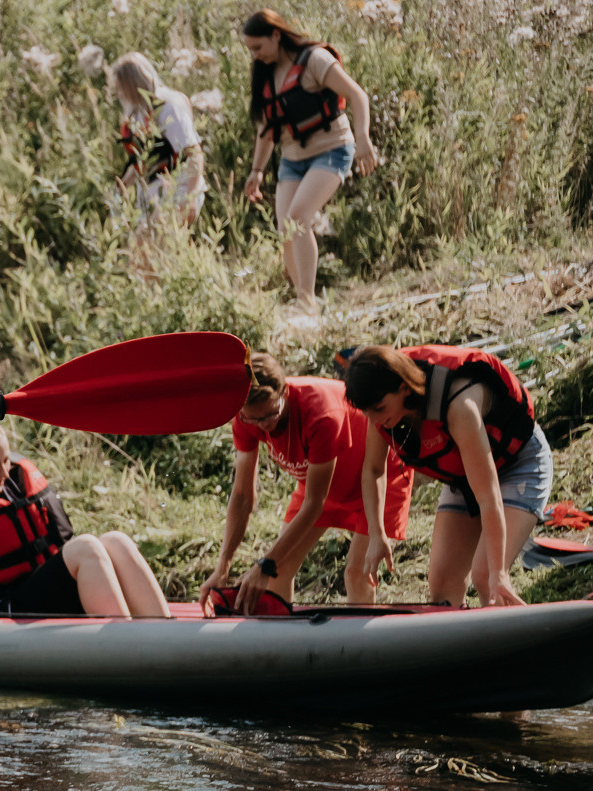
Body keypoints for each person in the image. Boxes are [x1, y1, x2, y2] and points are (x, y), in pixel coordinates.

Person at [201, 351, 415, 609]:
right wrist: (223, 565)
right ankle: (279, 642)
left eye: (270, 414)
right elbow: (243, 495)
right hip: (322, 484)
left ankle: (362, 644)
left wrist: (265, 563)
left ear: (285, 392)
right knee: (277, 571)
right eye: (254, 419)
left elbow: (315, 504)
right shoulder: (246, 416)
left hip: (377, 478)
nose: (263, 426)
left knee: (356, 573)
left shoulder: (320, 413)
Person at [343, 344, 552, 608]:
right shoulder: (381, 414)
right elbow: (373, 470)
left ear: (404, 388)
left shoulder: (459, 406)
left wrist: (499, 574)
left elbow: (487, 496)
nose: (375, 420)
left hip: (519, 465)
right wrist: (376, 533)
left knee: (487, 577)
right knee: (442, 590)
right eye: (368, 413)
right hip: (464, 477)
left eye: (379, 408)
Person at [0, 419, 170, 622]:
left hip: (50, 593)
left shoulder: (14, 489)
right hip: (11, 607)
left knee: (116, 540)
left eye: (6, 461)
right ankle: (126, 644)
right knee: (86, 548)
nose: (4, 473)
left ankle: (164, 633)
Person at [240, 9, 380, 311]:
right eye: (249, 49)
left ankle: (306, 302)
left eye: (258, 47)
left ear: (276, 35)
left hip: (332, 149)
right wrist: (257, 171)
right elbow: (267, 130)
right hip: (292, 159)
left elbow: (357, 96)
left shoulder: (314, 59)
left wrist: (363, 139)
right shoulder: (266, 73)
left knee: (298, 217)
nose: (254, 55)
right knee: (285, 230)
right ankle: (302, 297)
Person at [108, 52, 207, 228]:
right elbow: (142, 162)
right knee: (141, 252)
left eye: (121, 88)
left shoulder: (169, 107)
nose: (119, 94)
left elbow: (194, 154)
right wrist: (121, 188)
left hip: (178, 189)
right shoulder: (136, 115)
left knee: (145, 245)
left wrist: (189, 198)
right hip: (151, 196)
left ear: (133, 84)